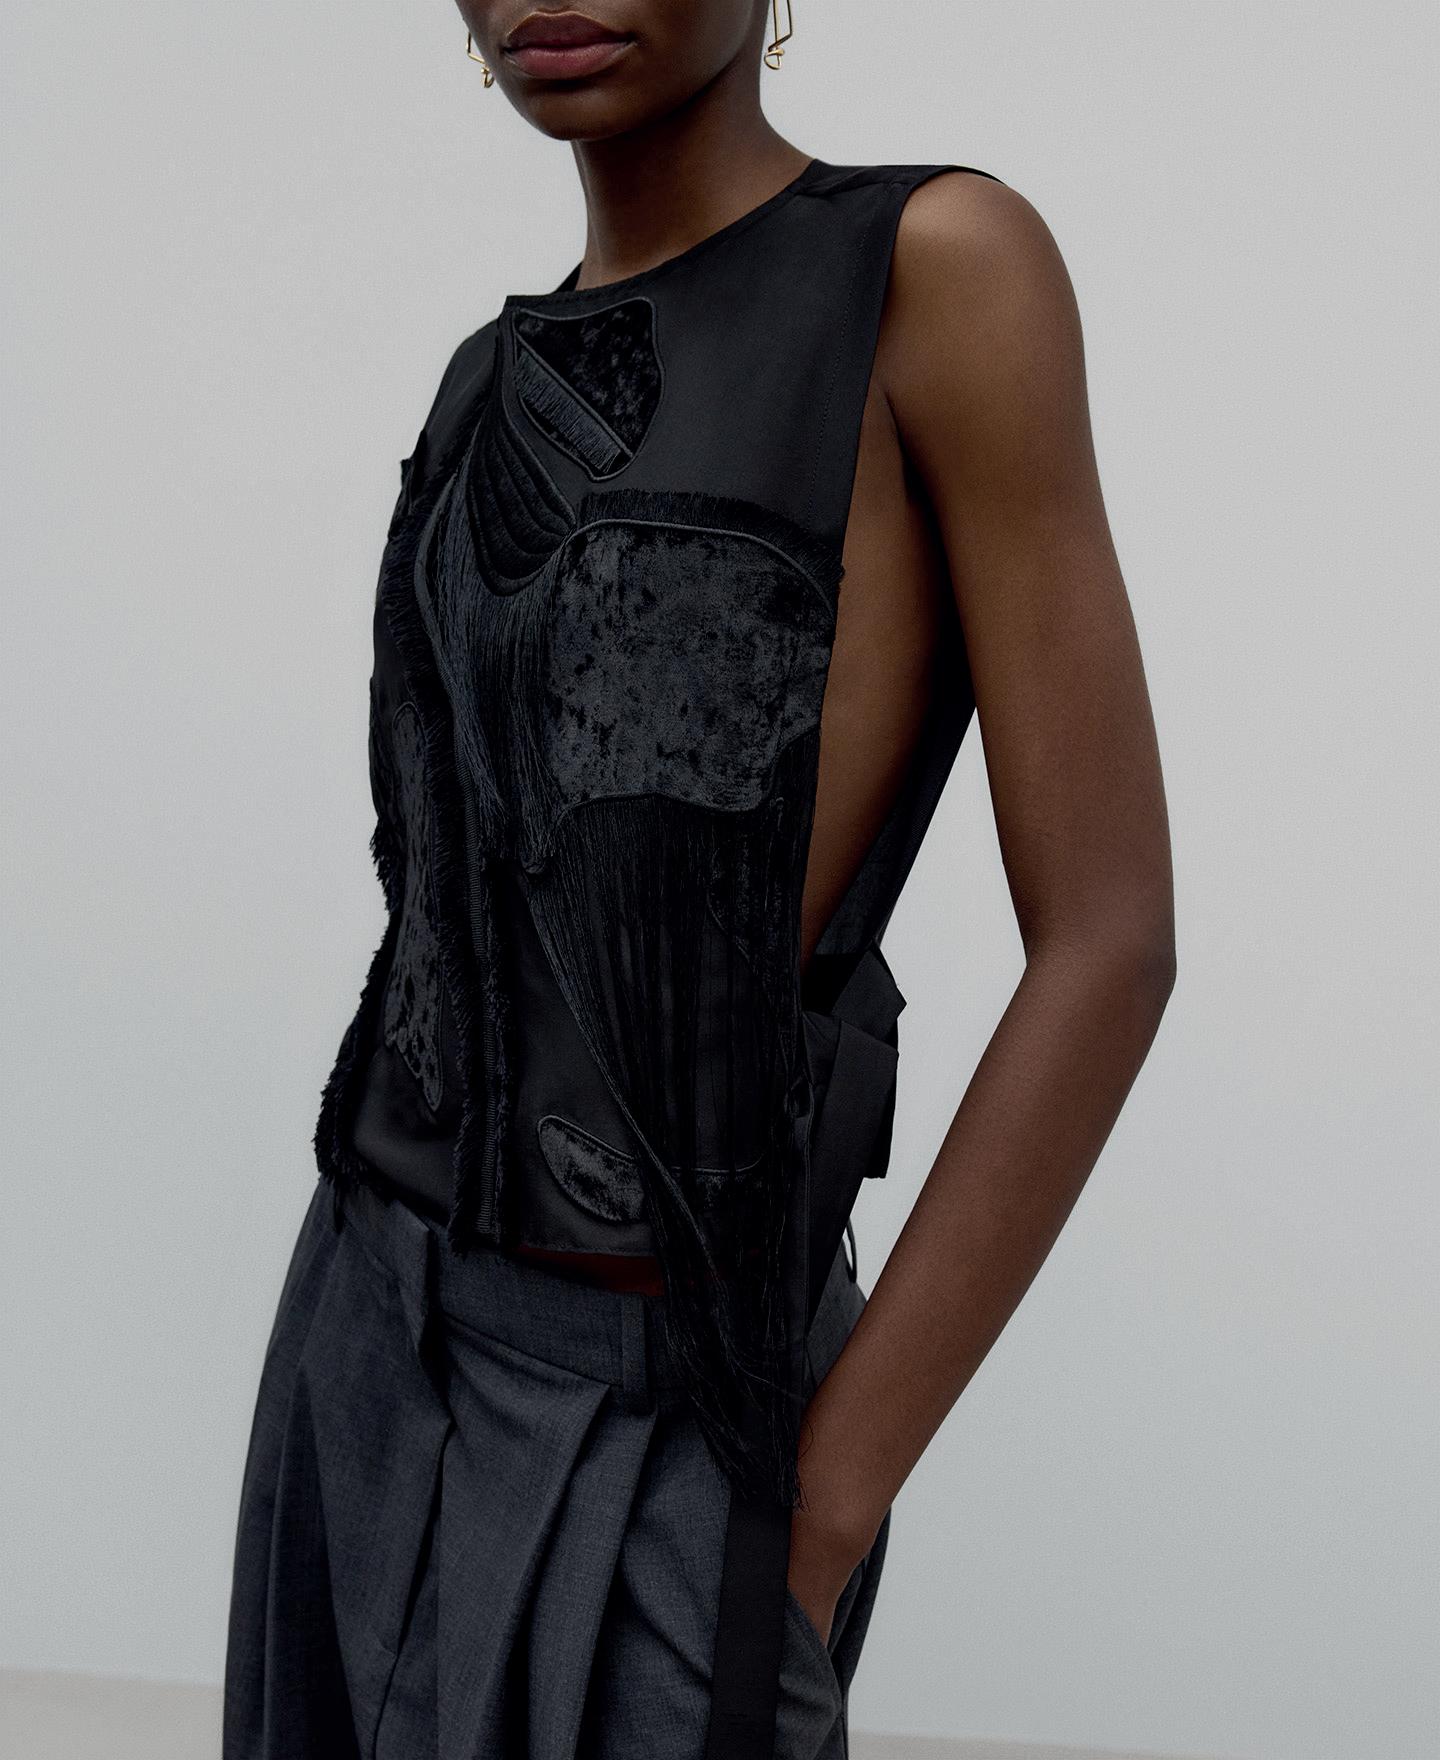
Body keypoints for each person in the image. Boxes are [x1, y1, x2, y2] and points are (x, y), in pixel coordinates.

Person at [223, 3, 1176, 1756]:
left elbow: (1110, 942)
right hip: (359, 1347)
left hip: (677, 1415)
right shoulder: (482, 381)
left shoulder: (934, 271)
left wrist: (823, 1509)